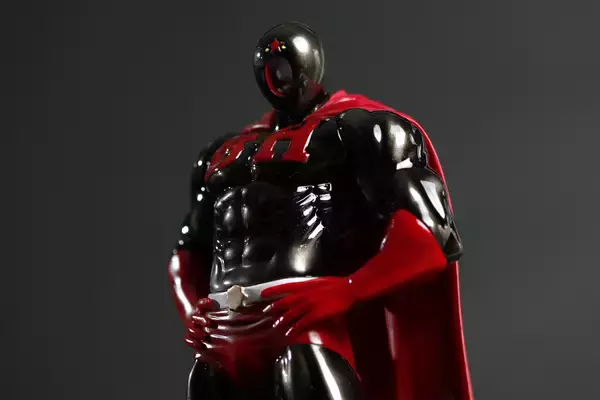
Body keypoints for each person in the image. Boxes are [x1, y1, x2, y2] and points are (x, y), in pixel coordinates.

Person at [168, 21, 474, 400]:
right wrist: (192, 309)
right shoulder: (222, 154)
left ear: (310, 64)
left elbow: (430, 236)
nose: (277, 77)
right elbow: (188, 249)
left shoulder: (359, 129)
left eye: (284, 65)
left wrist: (348, 290)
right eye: (269, 66)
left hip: (298, 321)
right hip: (220, 330)